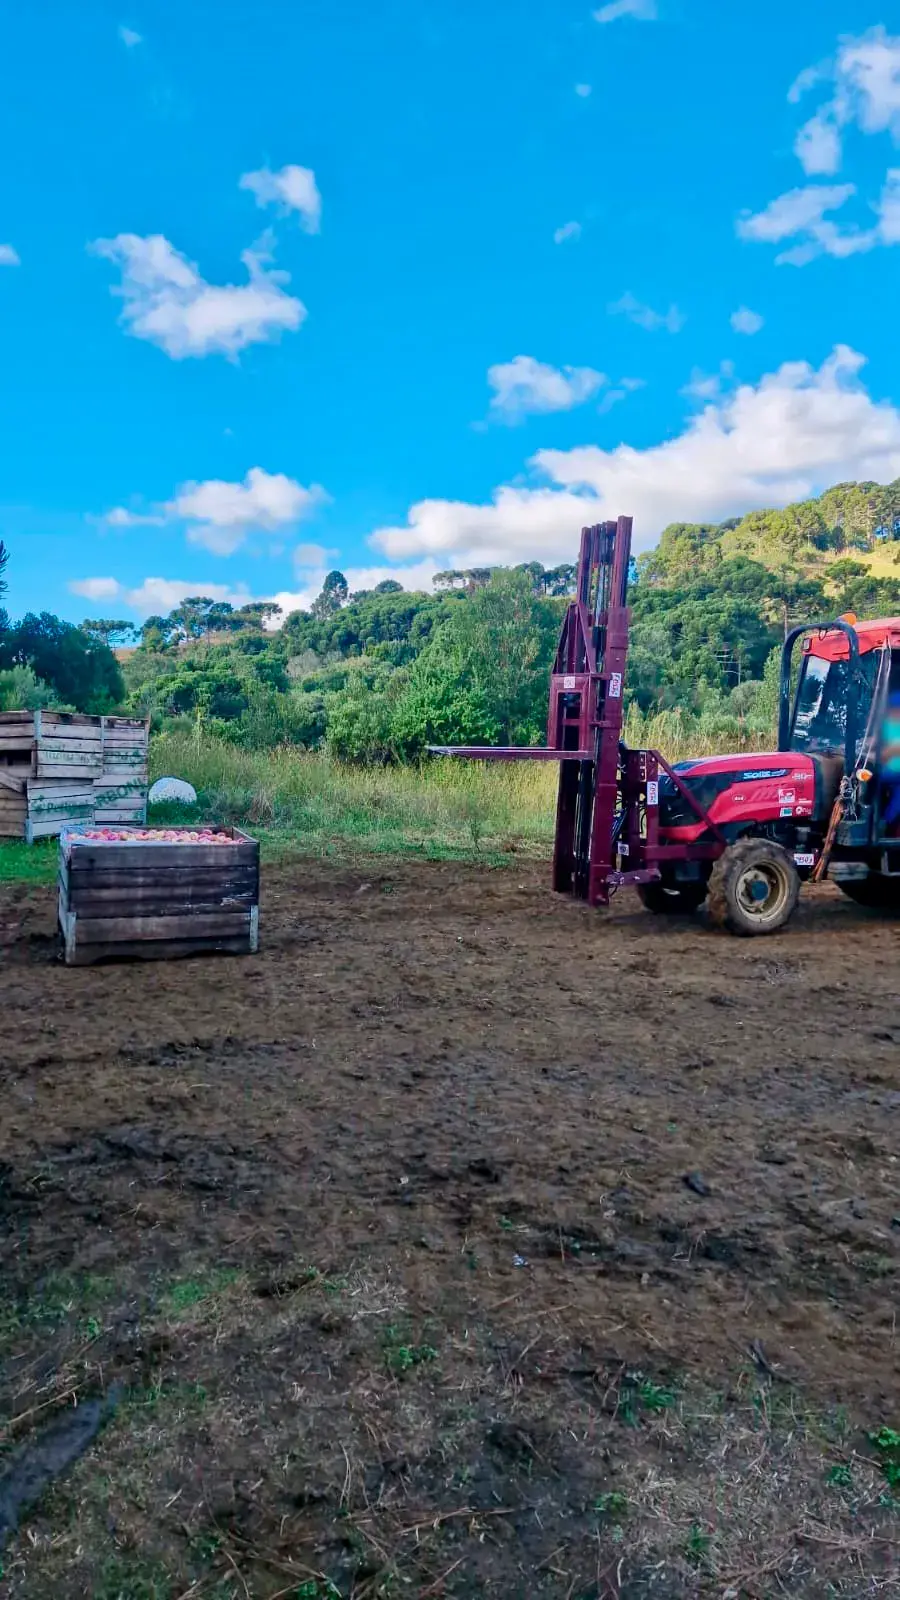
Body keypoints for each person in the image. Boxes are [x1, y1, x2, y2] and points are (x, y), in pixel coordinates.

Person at [880, 691, 900, 833]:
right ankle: (885, 823)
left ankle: (886, 822)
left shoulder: (886, 725)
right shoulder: (887, 726)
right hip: (886, 772)